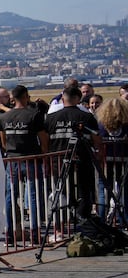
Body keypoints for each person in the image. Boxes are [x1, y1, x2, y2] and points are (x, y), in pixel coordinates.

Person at [46, 84, 99, 225]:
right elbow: (96, 139)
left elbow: (45, 140)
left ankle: (62, 222)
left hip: (58, 160)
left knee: (61, 191)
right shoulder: (87, 117)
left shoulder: (51, 118)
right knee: (84, 190)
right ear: (78, 99)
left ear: (63, 99)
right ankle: (84, 221)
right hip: (83, 159)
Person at [0, 86, 49, 237]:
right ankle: (35, 230)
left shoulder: (4, 118)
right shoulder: (34, 115)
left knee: (11, 196)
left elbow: (3, 142)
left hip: (13, 159)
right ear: (26, 96)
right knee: (33, 195)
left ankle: (10, 230)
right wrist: (44, 155)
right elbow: (44, 139)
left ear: (12, 99)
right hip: (31, 159)